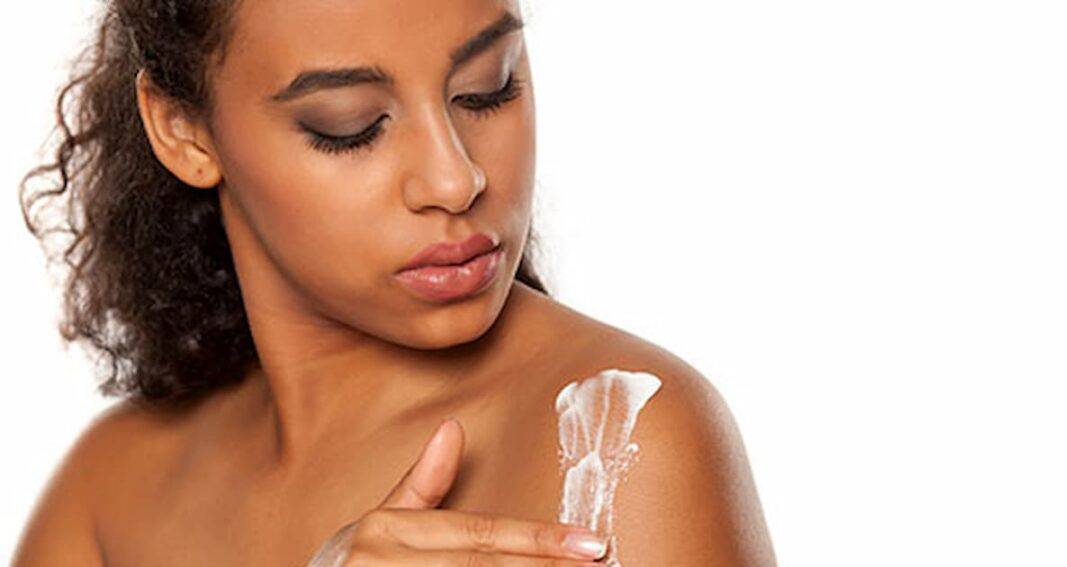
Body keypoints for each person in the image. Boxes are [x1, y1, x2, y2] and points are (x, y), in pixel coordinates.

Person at [12, 0, 776, 564]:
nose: (456, 177)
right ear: (184, 131)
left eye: (488, 87)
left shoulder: (617, 433)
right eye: (350, 125)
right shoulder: (111, 490)